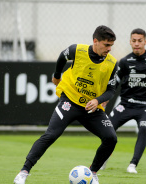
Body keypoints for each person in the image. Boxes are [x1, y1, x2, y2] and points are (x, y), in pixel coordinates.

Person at [13, 25, 118, 184]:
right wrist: (56, 75)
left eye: (111, 45)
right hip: (70, 101)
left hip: (91, 107)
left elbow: (111, 90)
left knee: (111, 138)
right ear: (95, 41)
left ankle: (93, 173)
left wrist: (97, 100)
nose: (109, 49)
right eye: (106, 45)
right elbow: (62, 56)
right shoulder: (77, 50)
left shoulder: (112, 63)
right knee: (51, 134)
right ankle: (23, 173)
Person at [101, 28, 146, 174]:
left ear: (145, 42)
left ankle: (132, 165)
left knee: (143, 129)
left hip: (145, 107)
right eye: (134, 41)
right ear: (130, 42)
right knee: (107, 131)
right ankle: (103, 159)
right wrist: (106, 99)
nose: (136, 44)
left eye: (139, 41)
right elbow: (114, 84)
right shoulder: (124, 62)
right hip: (125, 105)